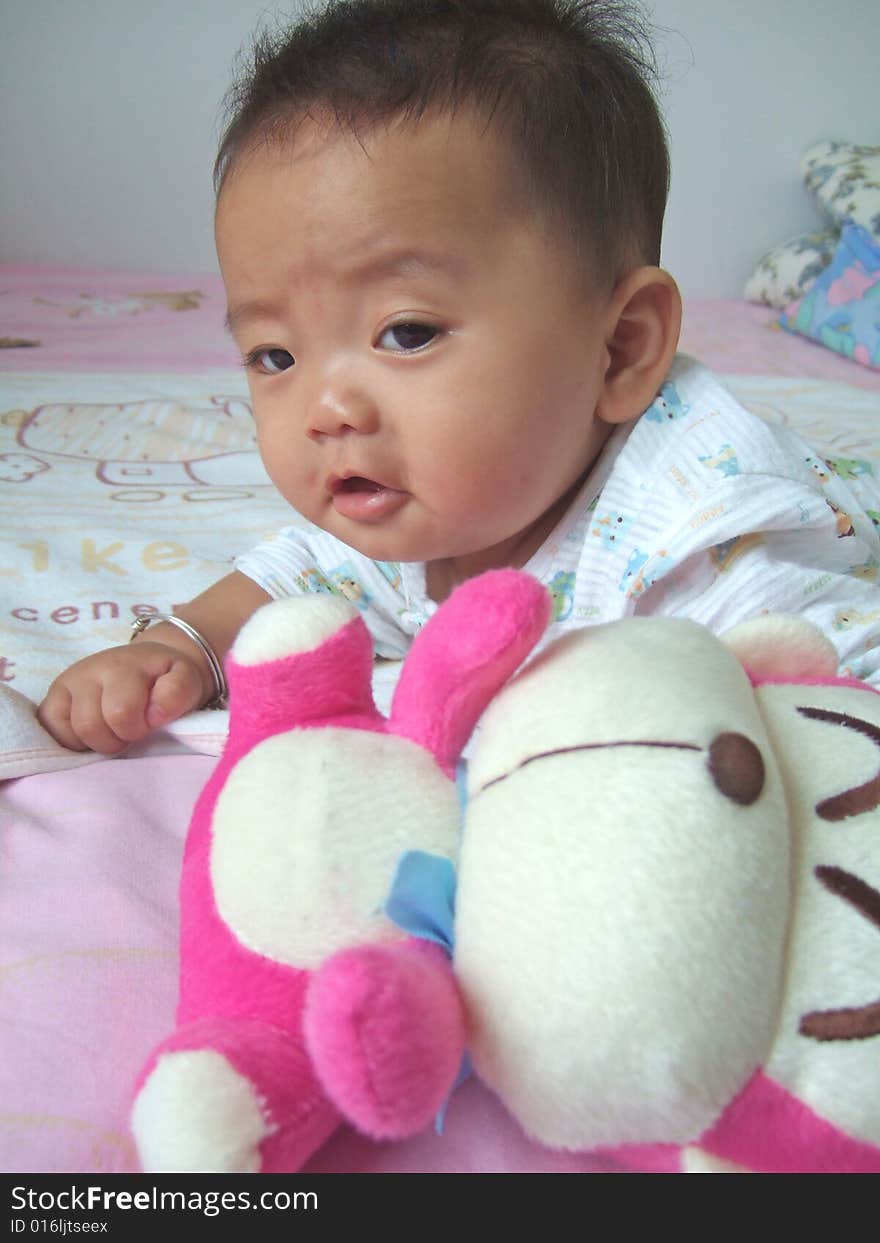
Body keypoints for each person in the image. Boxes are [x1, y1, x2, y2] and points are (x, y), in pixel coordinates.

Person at [37, 0, 880, 755]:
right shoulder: (424, 497)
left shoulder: (703, 542)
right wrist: (182, 646)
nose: (325, 409)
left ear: (618, 348)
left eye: (405, 333)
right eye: (275, 356)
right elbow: (304, 568)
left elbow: (844, 705)